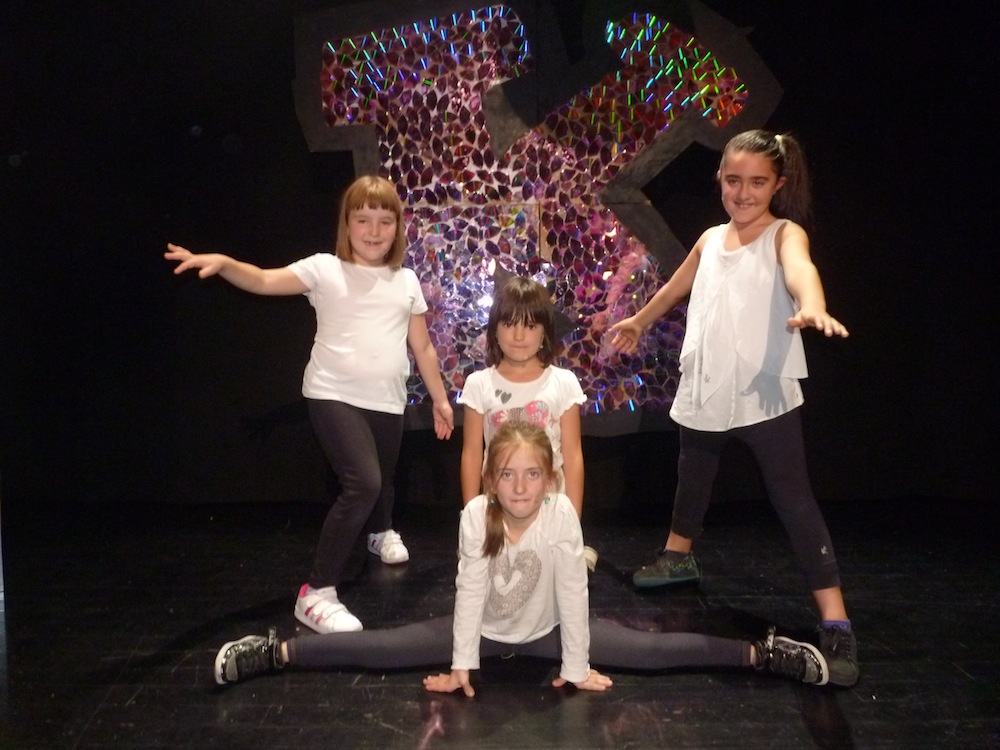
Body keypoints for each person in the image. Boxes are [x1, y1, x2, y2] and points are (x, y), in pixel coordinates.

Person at [214, 421, 830, 690]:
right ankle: (274, 652)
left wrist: (576, 665)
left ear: (550, 479)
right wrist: (463, 666)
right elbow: (470, 594)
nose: (519, 486)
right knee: (381, 648)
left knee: (652, 651)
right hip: (482, 631)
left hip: (552, 631)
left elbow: (573, 592)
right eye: (506, 474)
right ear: (490, 479)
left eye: (532, 474)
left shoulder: (560, 515)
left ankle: (764, 655)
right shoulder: (475, 517)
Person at [608, 129, 858, 687]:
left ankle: (835, 619)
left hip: (762, 390)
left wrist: (813, 305)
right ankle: (678, 556)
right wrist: (640, 321)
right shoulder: (709, 239)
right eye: (734, 181)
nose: (744, 193)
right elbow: (676, 287)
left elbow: (802, 271)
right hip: (708, 382)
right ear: (719, 179)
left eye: (758, 183)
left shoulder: (784, 233)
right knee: (692, 473)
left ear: (778, 185)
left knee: (793, 499)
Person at [165, 174, 454, 634]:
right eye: (363, 220)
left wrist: (440, 399)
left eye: (385, 221)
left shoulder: (406, 281)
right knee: (363, 482)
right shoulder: (325, 269)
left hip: (388, 399)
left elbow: (423, 347)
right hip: (332, 393)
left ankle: (380, 532)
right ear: (347, 224)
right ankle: (317, 593)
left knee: (383, 478)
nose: (374, 231)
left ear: (398, 228)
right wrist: (225, 263)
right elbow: (263, 280)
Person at [457, 276, 598, 571]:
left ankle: (574, 552)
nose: (519, 336)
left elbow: (572, 455)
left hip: (549, 507)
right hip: (499, 510)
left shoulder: (562, 383)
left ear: (545, 332)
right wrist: (471, 518)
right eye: (510, 324)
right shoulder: (479, 384)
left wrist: (572, 523)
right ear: (494, 330)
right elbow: (472, 453)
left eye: (530, 326)